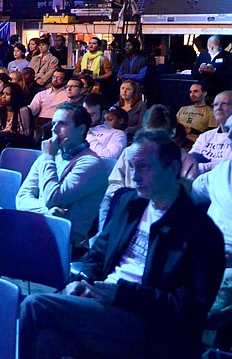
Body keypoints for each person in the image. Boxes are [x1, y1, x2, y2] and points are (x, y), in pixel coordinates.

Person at [19, 130, 225, 359]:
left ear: (173, 168)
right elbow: (97, 255)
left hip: (147, 322)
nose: (134, 177)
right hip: (105, 303)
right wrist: (81, 281)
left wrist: (124, 295)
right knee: (48, 340)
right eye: (132, 167)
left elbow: (189, 310)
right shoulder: (131, 204)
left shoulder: (201, 233)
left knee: (35, 305)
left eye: (144, 167)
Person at [16, 102, 107, 246]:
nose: (54, 129)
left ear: (81, 129)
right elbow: (21, 198)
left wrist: (48, 157)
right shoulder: (50, 156)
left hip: (65, 241)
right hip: (35, 227)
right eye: (53, 123)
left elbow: (53, 199)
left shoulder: (92, 164)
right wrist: (46, 212)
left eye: (62, 124)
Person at [190, 113, 232, 344]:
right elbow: (188, 194)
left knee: (195, 312)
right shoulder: (221, 171)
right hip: (203, 256)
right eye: (229, 131)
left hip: (227, 265)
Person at [0, 83, 36, 163]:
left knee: (9, 144)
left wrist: (10, 133)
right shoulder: (0, 111)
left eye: (7, 94)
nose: (3, 96)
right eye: (3, 94)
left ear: (15, 96)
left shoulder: (23, 110)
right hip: (0, 141)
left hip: (18, 142)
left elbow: (27, 134)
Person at [190, 90, 232, 174]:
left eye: (224, 104)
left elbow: (228, 167)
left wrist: (202, 166)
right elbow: (190, 161)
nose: (218, 108)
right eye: (215, 104)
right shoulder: (206, 136)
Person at [83, 94, 125, 159]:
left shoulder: (117, 134)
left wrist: (89, 136)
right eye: (85, 114)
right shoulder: (76, 129)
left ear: (103, 113)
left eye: (92, 115)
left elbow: (110, 156)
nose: (87, 118)